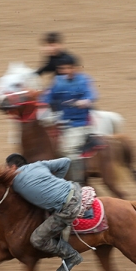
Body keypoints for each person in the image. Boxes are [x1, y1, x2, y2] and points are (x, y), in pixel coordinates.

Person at [5, 153, 83, 271]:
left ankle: (71, 256)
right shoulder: (38, 164)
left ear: (13, 167)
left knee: (37, 239)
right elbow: (66, 161)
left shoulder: (14, 180)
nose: (6, 172)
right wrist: (57, 181)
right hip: (75, 188)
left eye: (7, 169)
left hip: (68, 207)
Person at [42, 55, 97, 183]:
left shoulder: (84, 80)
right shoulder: (57, 81)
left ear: (75, 68)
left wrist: (84, 101)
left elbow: (92, 95)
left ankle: (78, 182)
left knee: (68, 150)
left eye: (68, 68)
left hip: (79, 123)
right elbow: (47, 97)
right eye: (62, 68)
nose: (65, 71)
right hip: (61, 122)